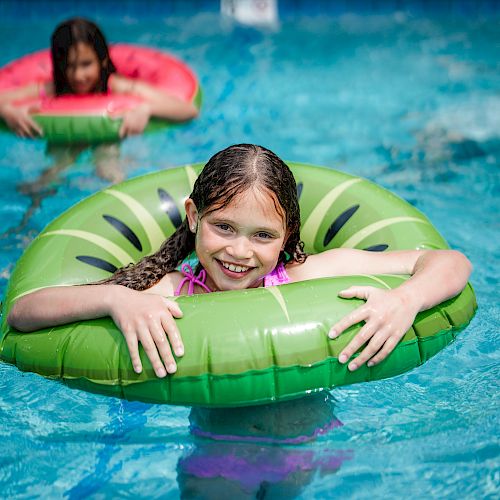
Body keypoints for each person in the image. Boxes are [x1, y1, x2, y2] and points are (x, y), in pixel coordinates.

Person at [7, 144, 473, 379]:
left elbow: (448, 261)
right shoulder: (171, 290)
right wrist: (115, 299)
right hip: (217, 460)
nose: (239, 251)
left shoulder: (303, 275)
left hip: (307, 451)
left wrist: (405, 301)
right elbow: (23, 312)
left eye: (263, 235)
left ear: (288, 236)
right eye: (224, 227)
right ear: (193, 217)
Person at [0, 17, 198, 139]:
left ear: (103, 60)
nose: (77, 75)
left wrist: (146, 109)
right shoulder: (50, 89)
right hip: (62, 141)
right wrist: (8, 111)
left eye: (86, 64)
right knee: (49, 177)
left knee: (108, 167)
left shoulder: (118, 87)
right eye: (68, 66)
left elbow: (188, 110)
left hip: (107, 141)